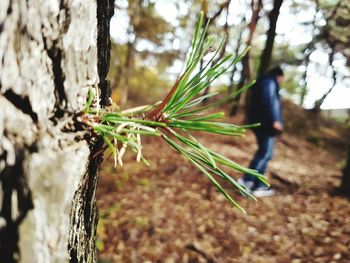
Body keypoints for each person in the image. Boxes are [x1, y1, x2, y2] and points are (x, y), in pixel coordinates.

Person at [238, 66, 284, 197]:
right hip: (266, 125)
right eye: (282, 79)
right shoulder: (269, 82)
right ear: (279, 76)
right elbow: (270, 100)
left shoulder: (265, 82)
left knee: (266, 154)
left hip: (263, 123)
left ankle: (259, 185)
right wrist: (275, 119)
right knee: (264, 153)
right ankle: (246, 181)